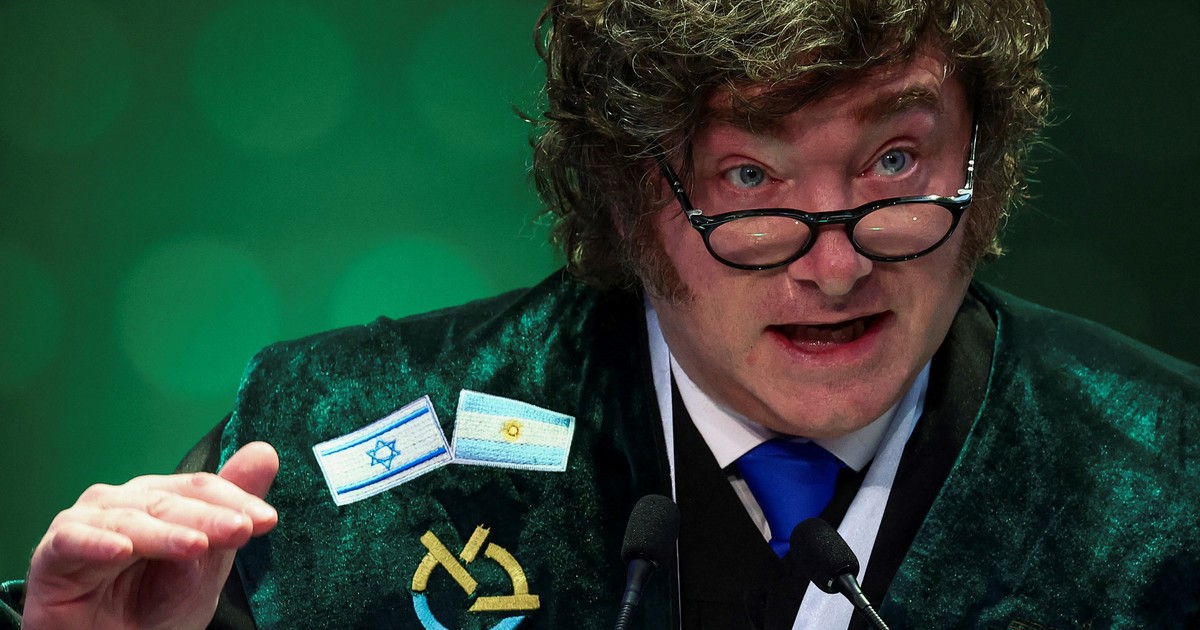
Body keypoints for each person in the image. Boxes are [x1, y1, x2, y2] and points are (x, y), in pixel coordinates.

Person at [4, 0, 1199, 628]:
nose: (836, 265)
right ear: (628, 193)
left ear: (984, 161)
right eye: (750, 179)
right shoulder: (330, 449)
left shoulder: (1170, 485)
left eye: (896, 161)